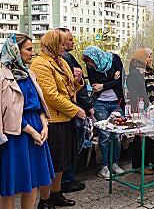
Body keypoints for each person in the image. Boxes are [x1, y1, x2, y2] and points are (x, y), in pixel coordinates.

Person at [31, 29, 85, 208]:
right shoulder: (40, 63)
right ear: (53, 44)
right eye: (62, 44)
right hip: (52, 121)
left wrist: (77, 81)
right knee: (51, 163)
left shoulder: (60, 62)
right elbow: (50, 96)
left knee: (61, 162)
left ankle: (56, 194)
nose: (65, 47)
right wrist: (75, 110)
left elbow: (68, 91)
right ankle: (44, 200)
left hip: (64, 119)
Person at [0, 34, 55, 209]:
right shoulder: (3, 76)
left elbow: (38, 105)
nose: (33, 53)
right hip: (16, 134)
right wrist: (32, 131)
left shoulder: (28, 73)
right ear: (16, 50)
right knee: (9, 187)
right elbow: (7, 113)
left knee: (32, 182)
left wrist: (45, 125)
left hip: (37, 131)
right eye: (29, 49)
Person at [82, 46, 125, 180]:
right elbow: (95, 85)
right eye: (87, 63)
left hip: (116, 102)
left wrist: (104, 85)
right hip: (100, 102)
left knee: (117, 133)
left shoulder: (115, 59)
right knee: (104, 134)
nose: (89, 65)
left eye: (89, 62)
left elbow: (121, 80)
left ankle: (115, 163)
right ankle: (103, 166)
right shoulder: (91, 67)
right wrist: (113, 79)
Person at [58, 28, 93, 193]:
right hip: (73, 110)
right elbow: (72, 89)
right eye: (70, 39)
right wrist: (87, 106)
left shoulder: (65, 58)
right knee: (73, 147)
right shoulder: (65, 58)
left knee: (74, 146)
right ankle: (67, 180)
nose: (73, 42)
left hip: (73, 109)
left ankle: (66, 180)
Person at [127, 48, 154, 174]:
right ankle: (139, 165)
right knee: (141, 138)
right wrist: (143, 109)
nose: (151, 59)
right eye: (148, 57)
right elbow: (135, 94)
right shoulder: (134, 74)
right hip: (144, 110)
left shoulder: (150, 71)